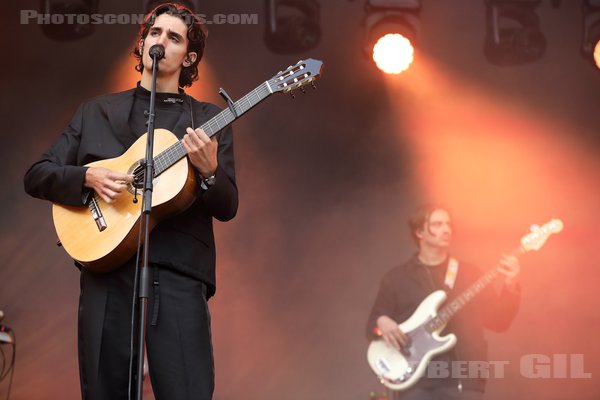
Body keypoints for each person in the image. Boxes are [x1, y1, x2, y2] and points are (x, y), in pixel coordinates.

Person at [23, 3, 237, 399]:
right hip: (107, 274)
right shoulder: (96, 112)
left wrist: (209, 171)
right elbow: (37, 175)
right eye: (154, 33)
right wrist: (85, 176)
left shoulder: (207, 119)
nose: (160, 42)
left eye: (173, 38)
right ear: (141, 45)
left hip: (178, 274)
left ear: (189, 57)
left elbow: (227, 206)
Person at [366, 205, 521, 400]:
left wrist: (510, 284)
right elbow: (373, 325)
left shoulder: (469, 274)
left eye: (448, 224)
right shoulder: (396, 279)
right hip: (416, 381)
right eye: (438, 224)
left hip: (464, 378)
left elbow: (499, 322)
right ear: (420, 232)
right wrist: (381, 322)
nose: (447, 229)